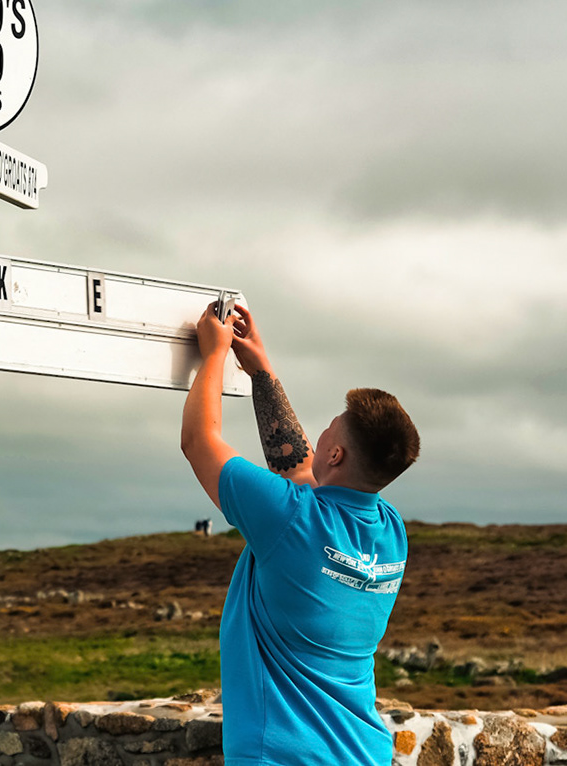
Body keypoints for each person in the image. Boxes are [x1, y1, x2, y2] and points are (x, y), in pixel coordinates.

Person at [179, 301, 421, 766]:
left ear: (335, 455)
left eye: (331, 427)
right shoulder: (390, 530)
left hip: (280, 756)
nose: (322, 432)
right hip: (363, 753)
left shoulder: (292, 517)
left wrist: (214, 355)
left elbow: (199, 443)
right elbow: (299, 469)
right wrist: (261, 371)